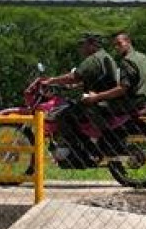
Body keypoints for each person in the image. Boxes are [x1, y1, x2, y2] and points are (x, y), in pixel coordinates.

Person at [41, 32, 118, 164]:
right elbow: (95, 79)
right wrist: (73, 86)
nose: (81, 48)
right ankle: (82, 148)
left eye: (83, 44)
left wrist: (52, 80)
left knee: (63, 116)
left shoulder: (94, 59)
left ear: (92, 45)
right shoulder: (104, 56)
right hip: (104, 101)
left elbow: (74, 76)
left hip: (97, 103)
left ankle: (78, 152)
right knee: (71, 111)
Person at [82, 30, 146, 116]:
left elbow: (122, 89)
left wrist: (96, 97)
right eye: (115, 45)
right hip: (145, 101)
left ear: (128, 42)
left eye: (119, 44)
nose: (117, 47)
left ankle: (103, 129)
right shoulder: (143, 57)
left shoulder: (127, 61)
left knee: (92, 107)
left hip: (131, 103)